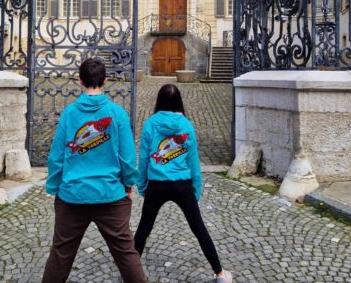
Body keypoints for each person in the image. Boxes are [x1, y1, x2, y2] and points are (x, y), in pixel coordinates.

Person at [42, 58, 146, 283]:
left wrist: (54, 186)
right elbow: (127, 158)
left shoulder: (69, 114)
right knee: (126, 253)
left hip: (72, 195)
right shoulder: (117, 114)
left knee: (61, 254)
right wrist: (129, 184)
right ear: (105, 81)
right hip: (109, 194)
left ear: (79, 80)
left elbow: (57, 156)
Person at [134, 84, 233, 283]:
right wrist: (196, 190)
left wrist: (142, 185)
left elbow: (144, 158)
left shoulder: (151, 123)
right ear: (179, 102)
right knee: (199, 228)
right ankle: (220, 274)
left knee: (144, 228)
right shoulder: (186, 125)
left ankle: (130, 275)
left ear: (159, 102)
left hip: (157, 182)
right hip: (182, 184)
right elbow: (193, 161)